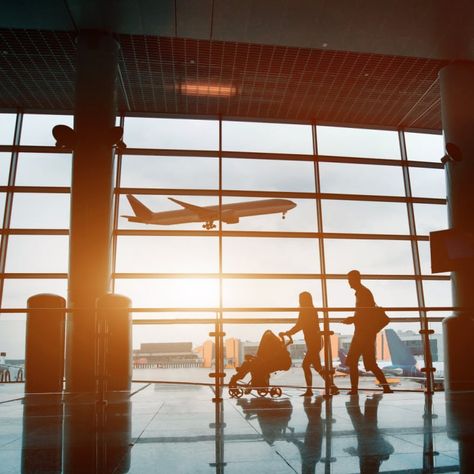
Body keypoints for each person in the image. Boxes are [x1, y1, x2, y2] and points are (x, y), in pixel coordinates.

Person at [343, 270, 393, 394]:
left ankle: (354, 389)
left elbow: (365, 315)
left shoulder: (363, 293)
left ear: (356, 279)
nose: (348, 282)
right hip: (366, 334)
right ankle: (386, 387)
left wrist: (352, 319)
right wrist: (354, 319)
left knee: (353, 361)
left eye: (349, 279)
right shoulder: (362, 292)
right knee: (370, 364)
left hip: (362, 334)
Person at [280, 291, 339, 397]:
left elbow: (299, 325)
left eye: (300, 299)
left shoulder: (305, 311)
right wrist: (289, 332)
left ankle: (310, 390)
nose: (299, 301)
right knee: (317, 367)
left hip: (313, 342)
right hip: (315, 341)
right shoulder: (311, 310)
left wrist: (288, 332)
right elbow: (301, 325)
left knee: (305, 365)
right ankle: (332, 386)